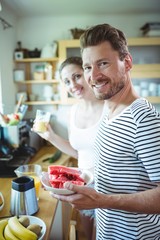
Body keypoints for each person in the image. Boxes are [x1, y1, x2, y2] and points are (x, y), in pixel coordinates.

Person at [51, 23, 160, 240]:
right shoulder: (107, 112)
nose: (94, 76)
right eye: (88, 67)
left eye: (103, 63)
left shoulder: (142, 118)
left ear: (127, 62)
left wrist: (101, 200)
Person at [33, 56, 106, 240]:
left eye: (77, 76)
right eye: (67, 81)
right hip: (84, 183)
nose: (72, 84)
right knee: (87, 234)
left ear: (88, 74)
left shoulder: (109, 107)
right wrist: (50, 136)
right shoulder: (73, 112)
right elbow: (78, 152)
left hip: (109, 185)